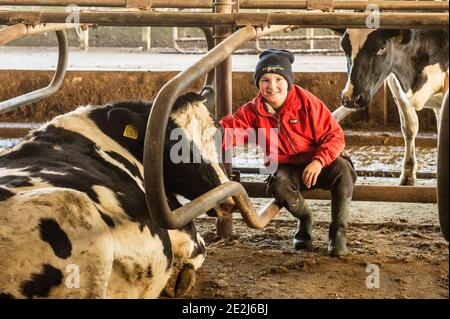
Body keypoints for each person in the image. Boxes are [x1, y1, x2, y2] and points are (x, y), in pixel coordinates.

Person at [220, 49, 357, 256]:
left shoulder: (307, 102)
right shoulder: (253, 112)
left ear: (288, 81)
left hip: (320, 163)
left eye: (278, 79)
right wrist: (204, 133)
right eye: (265, 79)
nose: (272, 86)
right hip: (286, 168)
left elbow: (334, 136)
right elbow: (230, 131)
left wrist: (319, 161)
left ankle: (338, 234)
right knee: (278, 184)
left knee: (344, 171)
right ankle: (305, 219)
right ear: (258, 83)